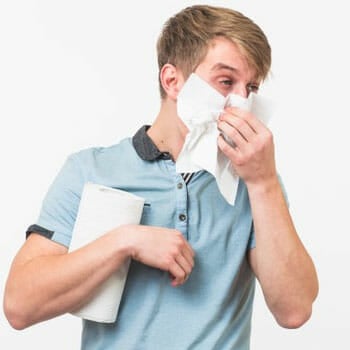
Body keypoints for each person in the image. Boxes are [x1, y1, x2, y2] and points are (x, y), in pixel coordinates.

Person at [4, 4, 318, 349]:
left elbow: (294, 310)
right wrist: (125, 241)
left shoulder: (256, 182)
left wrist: (263, 182)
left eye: (251, 88)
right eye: (226, 81)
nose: (240, 102)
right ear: (173, 81)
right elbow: (20, 307)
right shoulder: (90, 170)